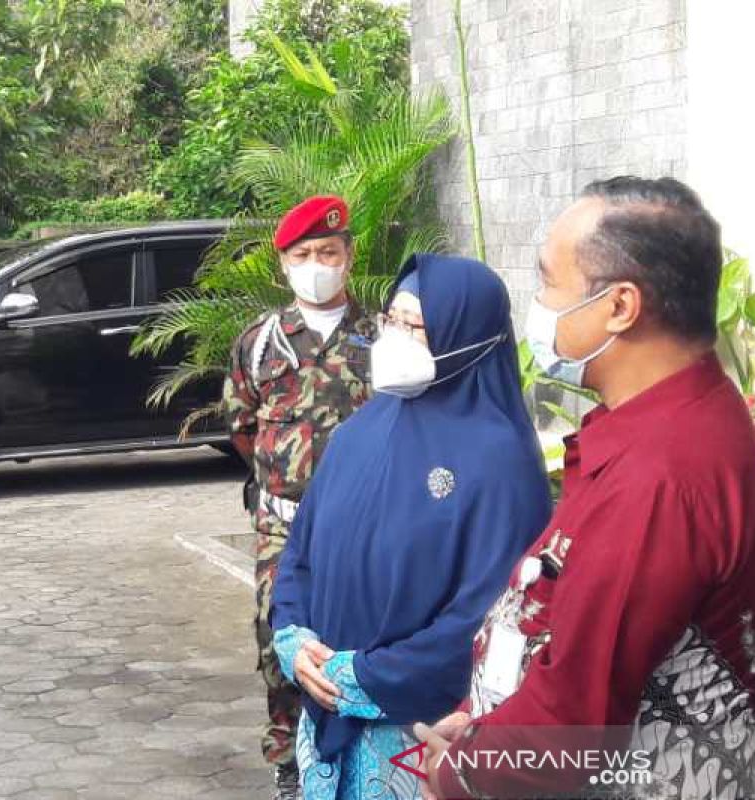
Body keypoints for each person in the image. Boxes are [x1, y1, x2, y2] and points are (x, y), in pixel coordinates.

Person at [418, 177, 755, 800]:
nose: (536, 305)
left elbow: (571, 728)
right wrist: (483, 726)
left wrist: (456, 775)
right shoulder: (661, 425)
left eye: (547, 282)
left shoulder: (661, 479)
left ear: (620, 306)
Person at [270, 254, 552, 800]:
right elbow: (300, 553)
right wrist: (294, 639)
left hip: (417, 737)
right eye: (391, 321)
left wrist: (360, 677)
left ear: (464, 337)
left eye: (414, 326)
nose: (394, 337)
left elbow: (490, 612)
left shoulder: (500, 462)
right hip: (324, 718)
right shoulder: (361, 430)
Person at [224, 195, 378, 799]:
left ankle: (364, 748)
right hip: (284, 526)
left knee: (362, 631)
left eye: (329, 252)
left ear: (349, 256)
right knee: (276, 635)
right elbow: (242, 426)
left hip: (366, 524)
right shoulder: (261, 343)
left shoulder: (381, 335)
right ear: (284, 263)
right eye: (305, 254)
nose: (318, 263)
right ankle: (289, 759)